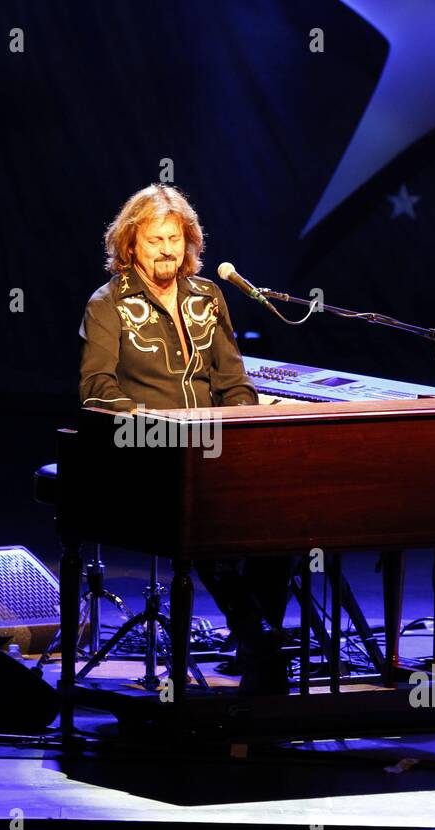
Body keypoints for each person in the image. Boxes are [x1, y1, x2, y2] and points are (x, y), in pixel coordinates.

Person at [78, 183, 291, 694]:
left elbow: (234, 381)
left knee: (284, 516)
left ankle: (255, 643)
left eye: (175, 238)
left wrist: (242, 430)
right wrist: (159, 427)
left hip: (214, 451)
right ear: (131, 244)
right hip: (146, 454)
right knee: (208, 523)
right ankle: (258, 638)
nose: (168, 250)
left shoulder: (209, 296)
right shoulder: (107, 304)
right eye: (155, 240)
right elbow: (96, 391)